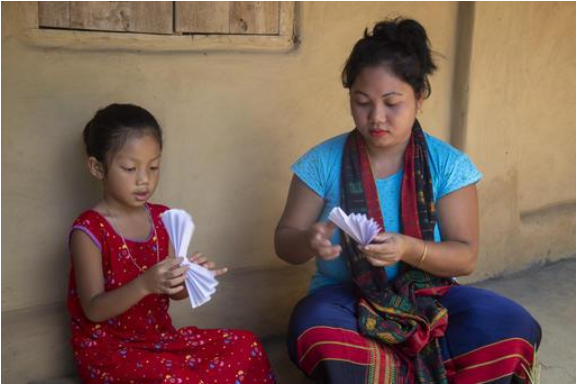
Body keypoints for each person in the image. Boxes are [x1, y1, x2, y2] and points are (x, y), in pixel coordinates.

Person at [275, 18, 541, 383]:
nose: (376, 117)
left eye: (392, 102)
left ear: (419, 98)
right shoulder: (322, 162)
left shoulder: (448, 165)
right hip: (345, 300)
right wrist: (308, 240)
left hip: (429, 298)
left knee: (511, 326)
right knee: (315, 331)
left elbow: (465, 256)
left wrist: (406, 248)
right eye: (362, 102)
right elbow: (284, 242)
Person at [68, 104, 276, 383]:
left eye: (154, 167)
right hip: (111, 349)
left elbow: (171, 291)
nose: (144, 179)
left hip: (159, 339)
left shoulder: (161, 218)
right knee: (176, 377)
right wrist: (145, 284)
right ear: (97, 167)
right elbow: (93, 308)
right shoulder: (89, 230)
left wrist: (190, 278)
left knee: (246, 345)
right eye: (130, 168)